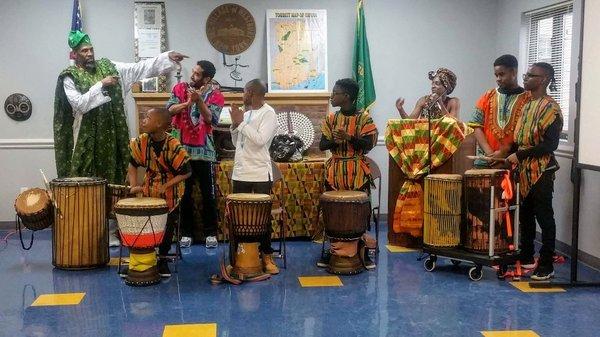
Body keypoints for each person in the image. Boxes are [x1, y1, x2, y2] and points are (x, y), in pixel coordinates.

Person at [53, 30, 187, 246]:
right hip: (87, 140)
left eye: (90, 49)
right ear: (74, 54)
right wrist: (101, 85)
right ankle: (92, 230)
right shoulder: (70, 76)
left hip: (114, 136)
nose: (89, 54)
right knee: (90, 180)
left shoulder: (110, 67)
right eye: (84, 51)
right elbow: (79, 104)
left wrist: (166, 57)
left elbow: (139, 69)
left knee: (116, 179)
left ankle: (115, 229)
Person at [506, 62, 563, 281]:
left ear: (544, 79)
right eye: (526, 74)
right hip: (524, 170)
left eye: (531, 75)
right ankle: (527, 256)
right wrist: (504, 155)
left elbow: (550, 145)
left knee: (544, 217)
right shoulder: (528, 104)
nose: (526, 77)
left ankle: (547, 264)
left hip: (542, 171)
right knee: (526, 216)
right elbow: (520, 140)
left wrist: (519, 155)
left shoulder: (551, 108)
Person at [319, 78, 379, 269]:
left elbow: (368, 146)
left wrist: (349, 138)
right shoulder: (331, 119)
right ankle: (333, 250)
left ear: (346, 97)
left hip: (357, 171)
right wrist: (336, 142)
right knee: (334, 213)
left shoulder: (364, 119)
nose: (332, 96)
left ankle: (361, 250)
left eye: (335, 93)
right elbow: (322, 146)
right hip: (335, 171)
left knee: (358, 213)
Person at [127, 107, 191, 277]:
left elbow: (186, 172)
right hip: (150, 187)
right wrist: (133, 186)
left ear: (159, 123)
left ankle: (163, 258)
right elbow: (132, 164)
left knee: (166, 223)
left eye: (147, 118)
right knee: (145, 220)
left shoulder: (173, 145)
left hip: (172, 191)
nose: (143, 120)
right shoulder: (142, 141)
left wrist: (167, 185)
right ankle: (146, 255)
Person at [167, 61, 224, 248]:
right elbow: (169, 110)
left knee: (208, 194)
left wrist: (199, 101)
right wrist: (187, 102)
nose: (193, 76)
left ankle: (211, 234)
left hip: (204, 153)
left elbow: (210, 119)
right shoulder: (179, 88)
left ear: (207, 79)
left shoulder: (216, 96)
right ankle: (185, 233)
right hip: (181, 151)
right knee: (184, 194)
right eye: (193, 72)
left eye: (198, 74)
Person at [229, 79, 279, 275]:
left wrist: (240, 123)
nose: (242, 95)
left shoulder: (269, 113)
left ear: (251, 92)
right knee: (238, 218)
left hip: (259, 172)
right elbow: (237, 143)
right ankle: (237, 258)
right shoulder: (246, 113)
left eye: (244, 91)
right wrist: (235, 125)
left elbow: (260, 141)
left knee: (262, 218)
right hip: (240, 171)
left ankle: (266, 256)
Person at [469, 55, 530, 168]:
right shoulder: (488, 96)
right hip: (486, 160)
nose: (498, 78)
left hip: (513, 161)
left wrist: (504, 153)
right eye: (496, 75)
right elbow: (476, 125)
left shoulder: (528, 98)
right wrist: (490, 154)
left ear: (513, 72)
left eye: (501, 74)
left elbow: (527, 132)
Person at [396, 67, 460, 119]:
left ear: (446, 87)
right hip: (424, 134)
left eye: (437, 83)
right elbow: (409, 122)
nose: (433, 86)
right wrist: (400, 109)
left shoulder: (453, 102)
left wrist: (440, 103)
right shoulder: (423, 100)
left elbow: (453, 124)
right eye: (432, 83)